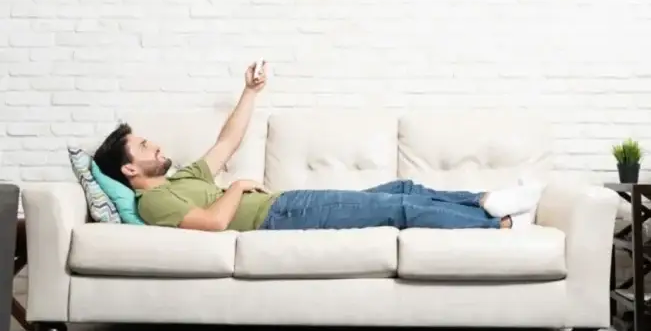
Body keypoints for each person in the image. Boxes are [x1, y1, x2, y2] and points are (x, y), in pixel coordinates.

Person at [93, 62, 541, 232]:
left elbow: (227, 141)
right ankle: (500, 227)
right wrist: (238, 187)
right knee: (395, 210)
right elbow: (212, 222)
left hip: (286, 203)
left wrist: (249, 93)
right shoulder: (153, 206)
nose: (156, 147)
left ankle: (484, 199)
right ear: (129, 171)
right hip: (279, 217)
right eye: (144, 147)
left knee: (401, 188)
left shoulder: (184, 177)